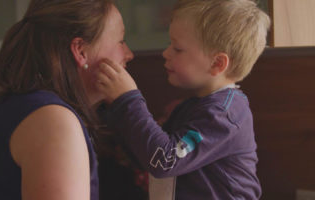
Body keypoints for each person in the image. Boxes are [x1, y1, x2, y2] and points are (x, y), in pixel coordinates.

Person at [0, 0, 133, 199]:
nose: (129, 54)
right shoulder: (53, 122)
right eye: (121, 41)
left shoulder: (25, 108)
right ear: (81, 51)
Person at [96, 0, 270, 199]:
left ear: (217, 63)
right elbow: (149, 158)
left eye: (177, 48)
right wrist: (113, 108)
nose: (165, 53)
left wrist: (127, 100)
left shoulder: (223, 115)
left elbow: (165, 161)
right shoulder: (193, 107)